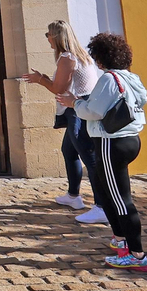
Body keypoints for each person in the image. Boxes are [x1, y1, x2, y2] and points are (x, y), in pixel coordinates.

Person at [66, 33, 147, 271]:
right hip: (130, 139)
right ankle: (120, 239)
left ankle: (136, 255)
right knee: (108, 193)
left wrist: (74, 103)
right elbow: (142, 100)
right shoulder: (131, 77)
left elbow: (93, 111)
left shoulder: (108, 79)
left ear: (101, 59)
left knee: (121, 200)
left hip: (110, 142)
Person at [21, 20, 103, 218]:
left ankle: (102, 206)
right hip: (80, 107)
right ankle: (73, 195)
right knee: (68, 150)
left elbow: (59, 89)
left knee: (88, 157)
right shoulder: (81, 55)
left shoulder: (67, 57)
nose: (47, 38)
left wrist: (40, 79)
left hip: (76, 109)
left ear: (56, 36)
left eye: (48, 34)